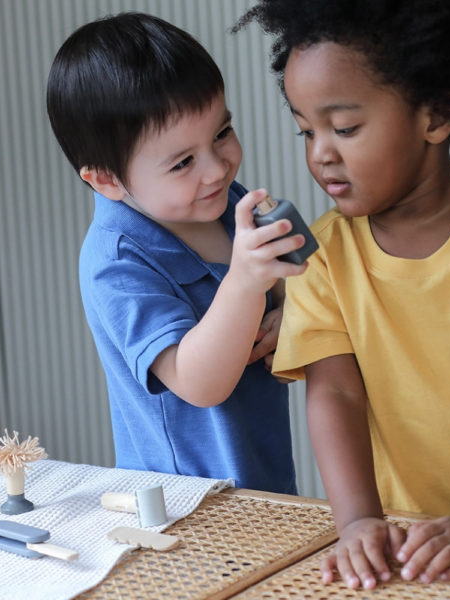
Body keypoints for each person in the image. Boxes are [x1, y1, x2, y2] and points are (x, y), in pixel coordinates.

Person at [233, 0, 450, 590]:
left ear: (435, 115)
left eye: (345, 127)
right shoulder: (325, 253)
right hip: (412, 547)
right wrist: (358, 521)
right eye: (307, 130)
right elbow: (336, 393)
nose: (320, 153)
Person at [46, 12, 308, 493]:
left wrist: (289, 315)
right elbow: (199, 383)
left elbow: (295, 284)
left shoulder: (224, 203)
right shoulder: (117, 263)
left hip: (263, 482)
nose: (217, 169)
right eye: (183, 162)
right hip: (182, 504)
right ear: (106, 180)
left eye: (222, 134)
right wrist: (246, 283)